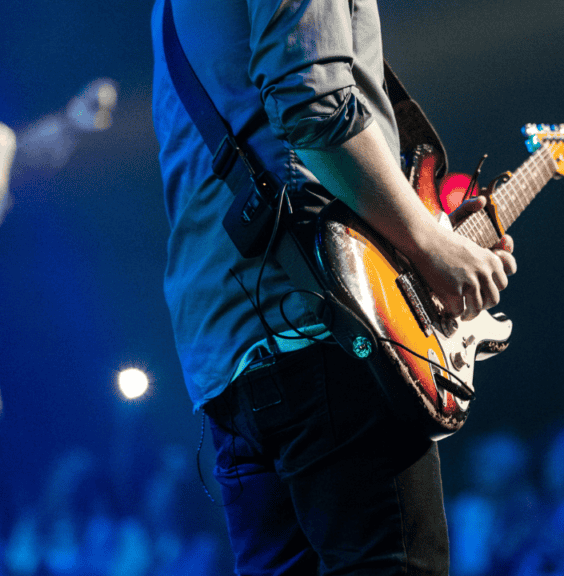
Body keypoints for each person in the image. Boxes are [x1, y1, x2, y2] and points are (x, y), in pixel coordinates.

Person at [149, 0, 516, 573]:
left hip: (228, 361)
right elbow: (315, 111)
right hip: (330, 333)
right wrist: (431, 246)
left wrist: (428, 232)